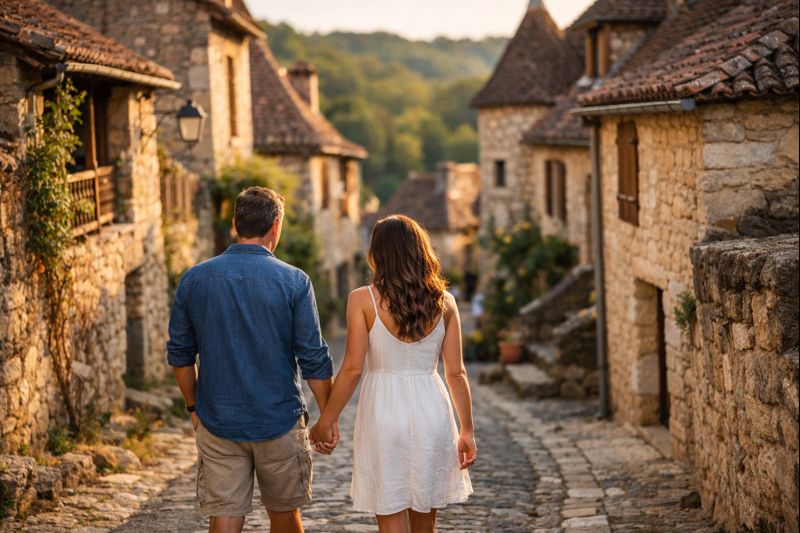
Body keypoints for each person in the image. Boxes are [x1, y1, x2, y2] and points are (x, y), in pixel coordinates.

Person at [167, 186, 335, 533]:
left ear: (234, 224)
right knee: (285, 516)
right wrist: (327, 417)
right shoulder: (295, 282)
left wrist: (194, 409)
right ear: (276, 226)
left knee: (225, 518)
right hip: (279, 420)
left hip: (218, 421)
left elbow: (181, 356)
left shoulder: (194, 279)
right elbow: (313, 359)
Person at [310, 214, 476, 533]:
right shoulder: (446, 302)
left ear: (378, 254)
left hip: (383, 411)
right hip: (433, 411)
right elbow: (456, 373)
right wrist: (466, 430)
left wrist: (326, 420)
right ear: (421, 251)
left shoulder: (363, 299)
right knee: (425, 522)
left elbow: (353, 368)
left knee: (390, 514)